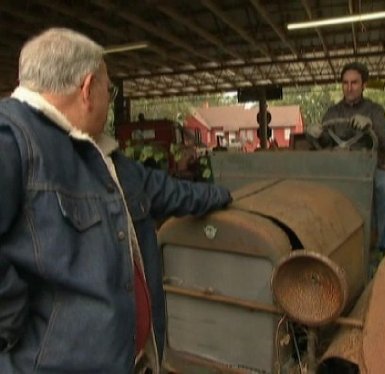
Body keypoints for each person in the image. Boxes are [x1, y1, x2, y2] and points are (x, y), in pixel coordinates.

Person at [0, 28, 232, 373]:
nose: (109, 102)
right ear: (87, 88)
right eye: (109, 91)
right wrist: (13, 324)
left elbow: (167, 191)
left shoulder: (100, 155)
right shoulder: (11, 139)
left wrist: (228, 195)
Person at [309, 61, 385, 248]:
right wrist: (315, 133)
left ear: (364, 85)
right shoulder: (333, 111)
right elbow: (323, 142)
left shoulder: (375, 110)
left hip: (368, 167)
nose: (349, 88)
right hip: (338, 167)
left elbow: (383, 141)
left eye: (354, 83)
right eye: (345, 83)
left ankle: (377, 240)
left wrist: (370, 125)